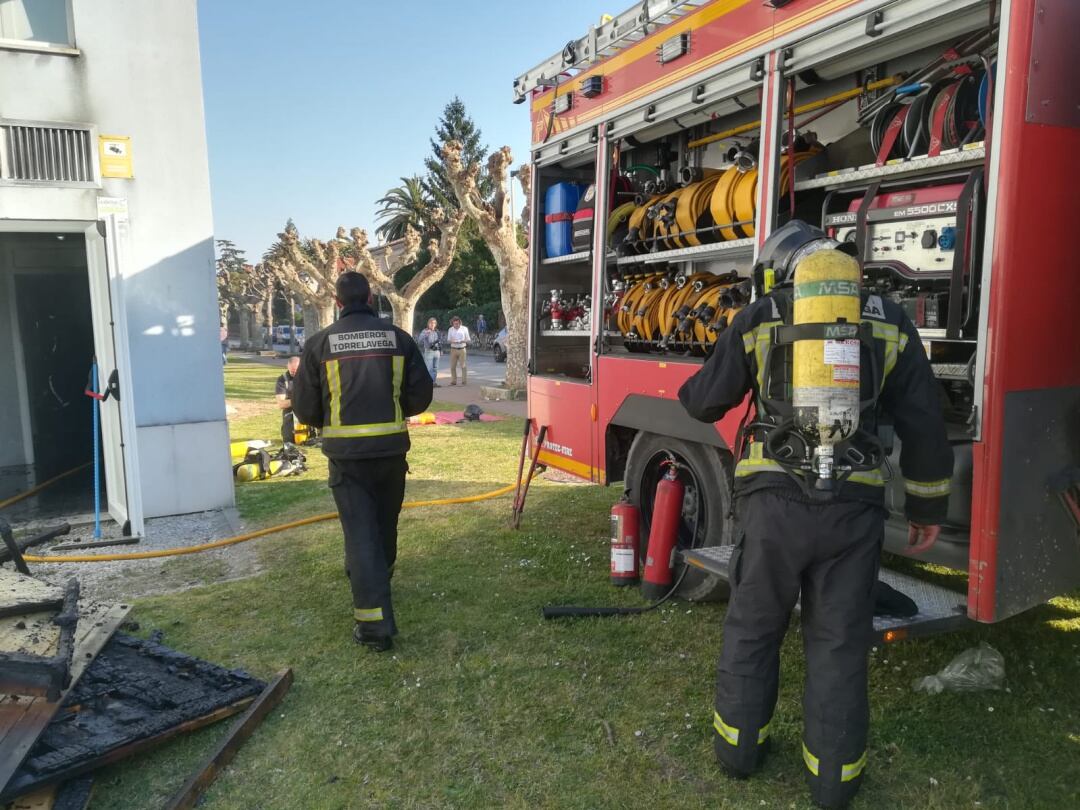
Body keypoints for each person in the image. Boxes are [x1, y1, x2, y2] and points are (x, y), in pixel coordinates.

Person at [677, 220, 952, 809]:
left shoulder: (762, 315)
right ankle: (834, 781)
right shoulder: (889, 320)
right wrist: (928, 504)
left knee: (754, 627)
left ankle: (738, 751)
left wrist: (695, 384)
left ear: (782, 269)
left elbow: (704, 403)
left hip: (773, 507)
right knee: (839, 642)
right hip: (853, 510)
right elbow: (923, 420)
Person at [291, 272, 433, 652]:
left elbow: (304, 408)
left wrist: (332, 418)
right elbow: (420, 396)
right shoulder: (399, 339)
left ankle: (373, 628)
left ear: (338, 303)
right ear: (370, 298)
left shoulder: (319, 344)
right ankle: (377, 579)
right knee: (384, 523)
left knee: (360, 533)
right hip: (391, 452)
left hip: (347, 457)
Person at [275, 355, 301, 445]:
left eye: (296, 370)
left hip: (307, 407)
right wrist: (298, 400)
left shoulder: (309, 377)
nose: (294, 373)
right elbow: (281, 404)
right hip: (291, 410)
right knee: (288, 439)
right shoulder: (282, 380)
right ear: (287, 366)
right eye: (292, 371)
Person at [417, 317, 442, 387]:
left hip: (437, 352)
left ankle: (433, 382)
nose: (432, 324)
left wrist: (441, 350)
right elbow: (419, 340)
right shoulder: (425, 331)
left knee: (435, 368)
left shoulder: (437, 331)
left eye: (434, 323)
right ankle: (429, 383)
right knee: (429, 368)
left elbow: (440, 341)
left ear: (436, 324)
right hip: (429, 351)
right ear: (428, 324)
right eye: (431, 323)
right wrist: (426, 334)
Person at [447, 316, 471, 386]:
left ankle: (464, 381)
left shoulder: (464, 329)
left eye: (457, 324)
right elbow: (448, 340)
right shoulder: (450, 329)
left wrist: (462, 341)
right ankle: (453, 381)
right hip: (453, 349)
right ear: (452, 323)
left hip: (462, 349)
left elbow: (468, 339)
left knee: (463, 366)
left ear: (460, 323)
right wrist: (453, 341)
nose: (456, 325)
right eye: (454, 324)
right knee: (452, 366)